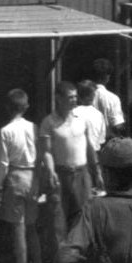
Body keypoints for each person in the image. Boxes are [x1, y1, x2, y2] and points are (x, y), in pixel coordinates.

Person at [0, 89, 43, 263]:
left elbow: (2, 163)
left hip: (15, 177)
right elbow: (40, 156)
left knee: (18, 229)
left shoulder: (5, 131)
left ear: (7, 107)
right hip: (32, 178)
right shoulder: (34, 127)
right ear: (26, 106)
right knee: (32, 228)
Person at [39, 81, 103, 244]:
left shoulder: (81, 119)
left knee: (83, 215)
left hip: (82, 174)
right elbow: (46, 152)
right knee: (58, 218)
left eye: (75, 97)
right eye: (70, 97)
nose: (74, 100)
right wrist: (51, 171)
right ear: (58, 99)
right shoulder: (49, 122)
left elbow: (89, 148)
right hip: (61, 174)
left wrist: (97, 172)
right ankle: (61, 259)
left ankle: (81, 254)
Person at [91, 58, 126, 138]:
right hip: (106, 144)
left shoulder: (82, 96)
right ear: (107, 77)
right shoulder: (113, 98)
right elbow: (117, 126)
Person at [75, 80, 107, 154]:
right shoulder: (99, 115)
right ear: (93, 95)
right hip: (95, 154)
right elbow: (101, 140)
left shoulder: (72, 113)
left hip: (77, 155)